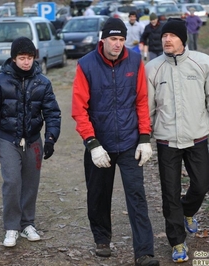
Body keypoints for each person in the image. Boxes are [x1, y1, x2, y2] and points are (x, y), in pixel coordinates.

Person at [71, 17, 159, 266]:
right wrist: (92, 143)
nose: (118, 44)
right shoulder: (86, 65)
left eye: (121, 39)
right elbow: (79, 109)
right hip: (100, 143)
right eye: (113, 39)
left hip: (130, 142)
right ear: (103, 40)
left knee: (137, 196)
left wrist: (144, 137)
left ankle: (144, 252)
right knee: (98, 195)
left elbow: (141, 100)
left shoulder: (134, 60)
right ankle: (102, 239)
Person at [145, 18, 209, 263]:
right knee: (169, 194)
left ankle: (188, 211)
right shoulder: (153, 68)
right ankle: (178, 243)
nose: (166, 39)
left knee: (202, 183)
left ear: (183, 39)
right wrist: (143, 138)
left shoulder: (202, 63)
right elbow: (146, 107)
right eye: (164, 36)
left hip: (197, 136)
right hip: (166, 140)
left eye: (172, 36)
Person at [0, 37, 61, 248]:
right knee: (13, 182)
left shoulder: (42, 82)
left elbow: (52, 112)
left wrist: (51, 137)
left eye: (30, 58)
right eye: (22, 58)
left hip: (33, 140)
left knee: (31, 183)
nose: (26, 62)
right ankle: (11, 226)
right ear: (14, 58)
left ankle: (27, 224)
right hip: (8, 139)